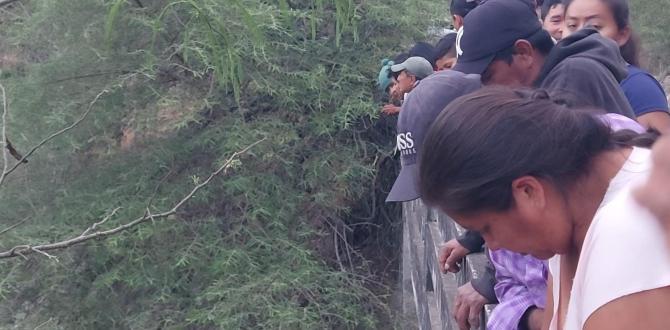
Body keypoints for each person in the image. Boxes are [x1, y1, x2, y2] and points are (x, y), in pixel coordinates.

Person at [419, 87, 670, 330]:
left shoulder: (630, 235)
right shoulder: (572, 214)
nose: (493, 246)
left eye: (487, 229)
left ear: (528, 191)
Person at [453, 0, 635, 119]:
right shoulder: (552, 82)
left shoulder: (572, 79)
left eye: (488, 75)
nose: (484, 87)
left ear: (523, 52)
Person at [563, 0, 670, 133]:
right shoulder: (560, 80)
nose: (580, 35)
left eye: (595, 27)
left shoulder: (639, 87)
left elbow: (660, 151)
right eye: (572, 25)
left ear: (622, 35)